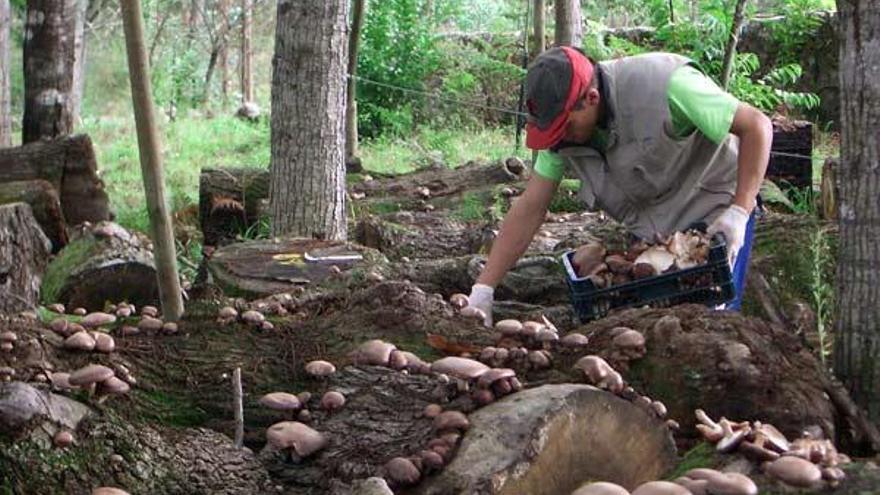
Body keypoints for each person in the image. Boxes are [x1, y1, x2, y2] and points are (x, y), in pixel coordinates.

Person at [467, 47, 772, 326]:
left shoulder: (666, 83)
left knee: (711, 326)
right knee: (656, 332)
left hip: (716, 215)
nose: (560, 138)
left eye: (566, 127)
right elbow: (531, 207)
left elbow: (756, 125)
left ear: (592, 98)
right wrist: (484, 288)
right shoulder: (559, 138)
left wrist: (739, 210)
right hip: (655, 239)